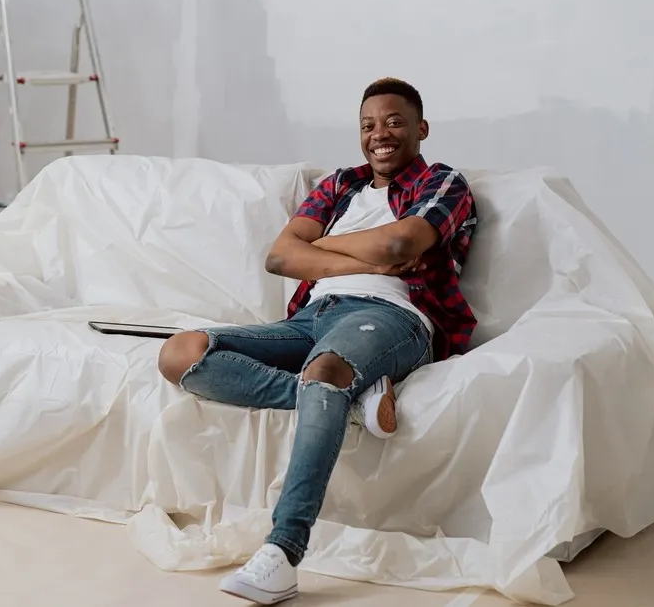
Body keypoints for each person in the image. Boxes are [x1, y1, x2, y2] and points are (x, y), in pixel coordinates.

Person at [157, 78, 477, 605]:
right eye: (368, 125)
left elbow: (400, 240)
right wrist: (368, 253)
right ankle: (352, 397)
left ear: (420, 128)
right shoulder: (340, 185)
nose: (381, 134)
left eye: (395, 122)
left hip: (393, 314)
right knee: (181, 353)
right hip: (312, 316)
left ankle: (283, 553)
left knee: (326, 370)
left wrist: (325, 247)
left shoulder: (442, 181)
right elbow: (280, 257)